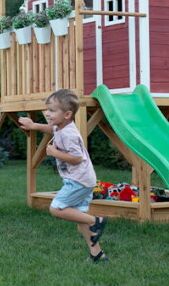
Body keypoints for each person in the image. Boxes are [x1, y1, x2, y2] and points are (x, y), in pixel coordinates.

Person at [18, 89, 108, 263]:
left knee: (57, 208)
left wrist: (54, 152)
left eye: (52, 110)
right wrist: (33, 126)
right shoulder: (62, 127)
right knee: (79, 217)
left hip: (78, 180)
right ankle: (97, 254)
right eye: (47, 109)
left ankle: (96, 221)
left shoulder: (69, 134)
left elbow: (77, 158)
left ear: (67, 114)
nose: (47, 113)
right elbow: (52, 129)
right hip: (83, 179)